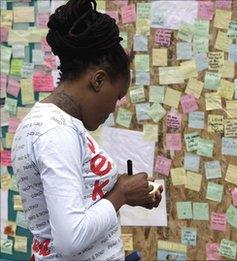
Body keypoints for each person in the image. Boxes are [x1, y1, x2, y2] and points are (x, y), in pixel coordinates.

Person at [11, 0, 163, 260]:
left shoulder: (60, 125)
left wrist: (129, 191)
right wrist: (122, 194)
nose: (114, 108)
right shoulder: (54, 133)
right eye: (116, 97)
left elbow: (79, 201)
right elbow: (71, 239)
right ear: (98, 80)